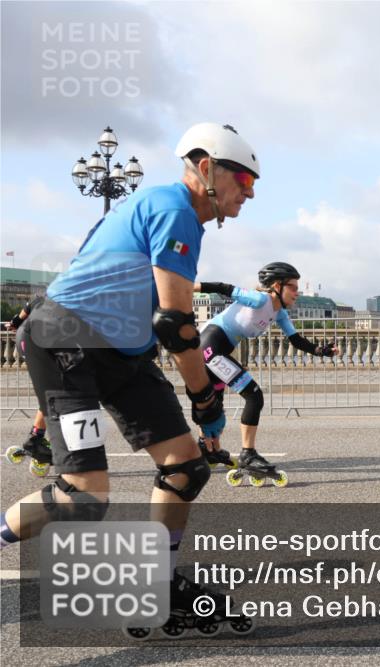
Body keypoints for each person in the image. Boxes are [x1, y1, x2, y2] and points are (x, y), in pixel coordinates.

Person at [0, 122, 260, 638]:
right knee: (83, 496)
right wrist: (206, 402)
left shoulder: (175, 214)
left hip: (123, 353)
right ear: (206, 168)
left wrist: (202, 408)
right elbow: (177, 327)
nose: (249, 192)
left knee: (187, 467)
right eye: (243, 180)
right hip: (69, 342)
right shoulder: (174, 208)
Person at [195, 262, 337, 487]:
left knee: (214, 401)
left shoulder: (279, 313)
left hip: (219, 348)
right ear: (277, 286)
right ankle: (247, 454)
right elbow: (224, 287)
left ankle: (209, 448)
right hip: (209, 346)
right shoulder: (260, 299)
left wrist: (322, 351)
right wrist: (185, 287)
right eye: (293, 287)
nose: (297, 293)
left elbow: (295, 340)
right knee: (254, 396)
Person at [4, 296, 51, 476]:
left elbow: (32, 302)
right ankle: (37, 439)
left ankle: (37, 436)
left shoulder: (55, 293)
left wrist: (16, 320)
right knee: (58, 393)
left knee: (50, 394)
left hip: (25, 337)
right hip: (40, 341)